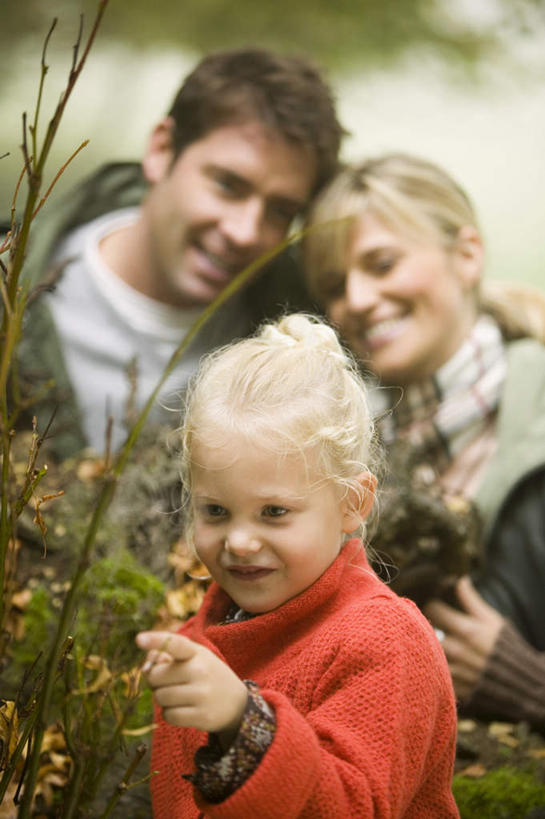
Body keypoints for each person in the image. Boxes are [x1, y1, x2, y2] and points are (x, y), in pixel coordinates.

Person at [136, 313, 459, 818]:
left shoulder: (383, 641)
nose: (240, 542)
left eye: (274, 513)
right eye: (216, 511)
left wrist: (245, 727)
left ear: (353, 502)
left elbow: (356, 808)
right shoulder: (198, 649)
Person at [303, 153, 545, 732]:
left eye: (381, 264)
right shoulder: (334, 443)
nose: (356, 300)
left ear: (467, 255)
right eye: (335, 286)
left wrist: (528, 684)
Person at [16, 48, 343, 458]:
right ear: (161, 150)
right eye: (228, 184)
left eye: (280, 211)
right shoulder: (13, 300)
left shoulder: (309, 331)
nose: (245, 233)